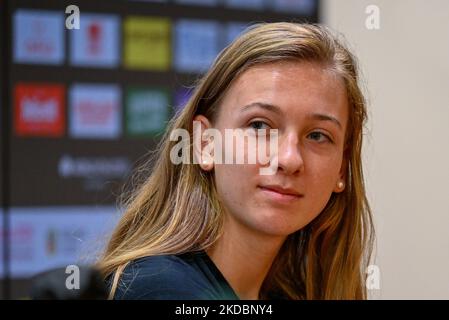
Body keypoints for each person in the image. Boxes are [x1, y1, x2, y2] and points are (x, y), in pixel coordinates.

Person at [96, 22, 375, 300]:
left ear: (342, 166)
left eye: (317, 135)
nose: (289, 159)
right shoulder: (157, 289)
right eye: (259, 126)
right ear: (204, 144)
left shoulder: (290, 293)